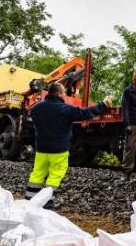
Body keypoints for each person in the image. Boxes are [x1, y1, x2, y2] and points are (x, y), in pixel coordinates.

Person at [24, 82, 112, 210]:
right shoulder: (66, 109)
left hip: (41, 149)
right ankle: (46, 204)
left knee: (37, 174)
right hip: (59, 151)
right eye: (64, 92)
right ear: (59, 93)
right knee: (54, 177)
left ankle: (29, 200)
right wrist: (103, 104)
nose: (64, 95)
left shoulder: (36, 108)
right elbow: (86, 113)